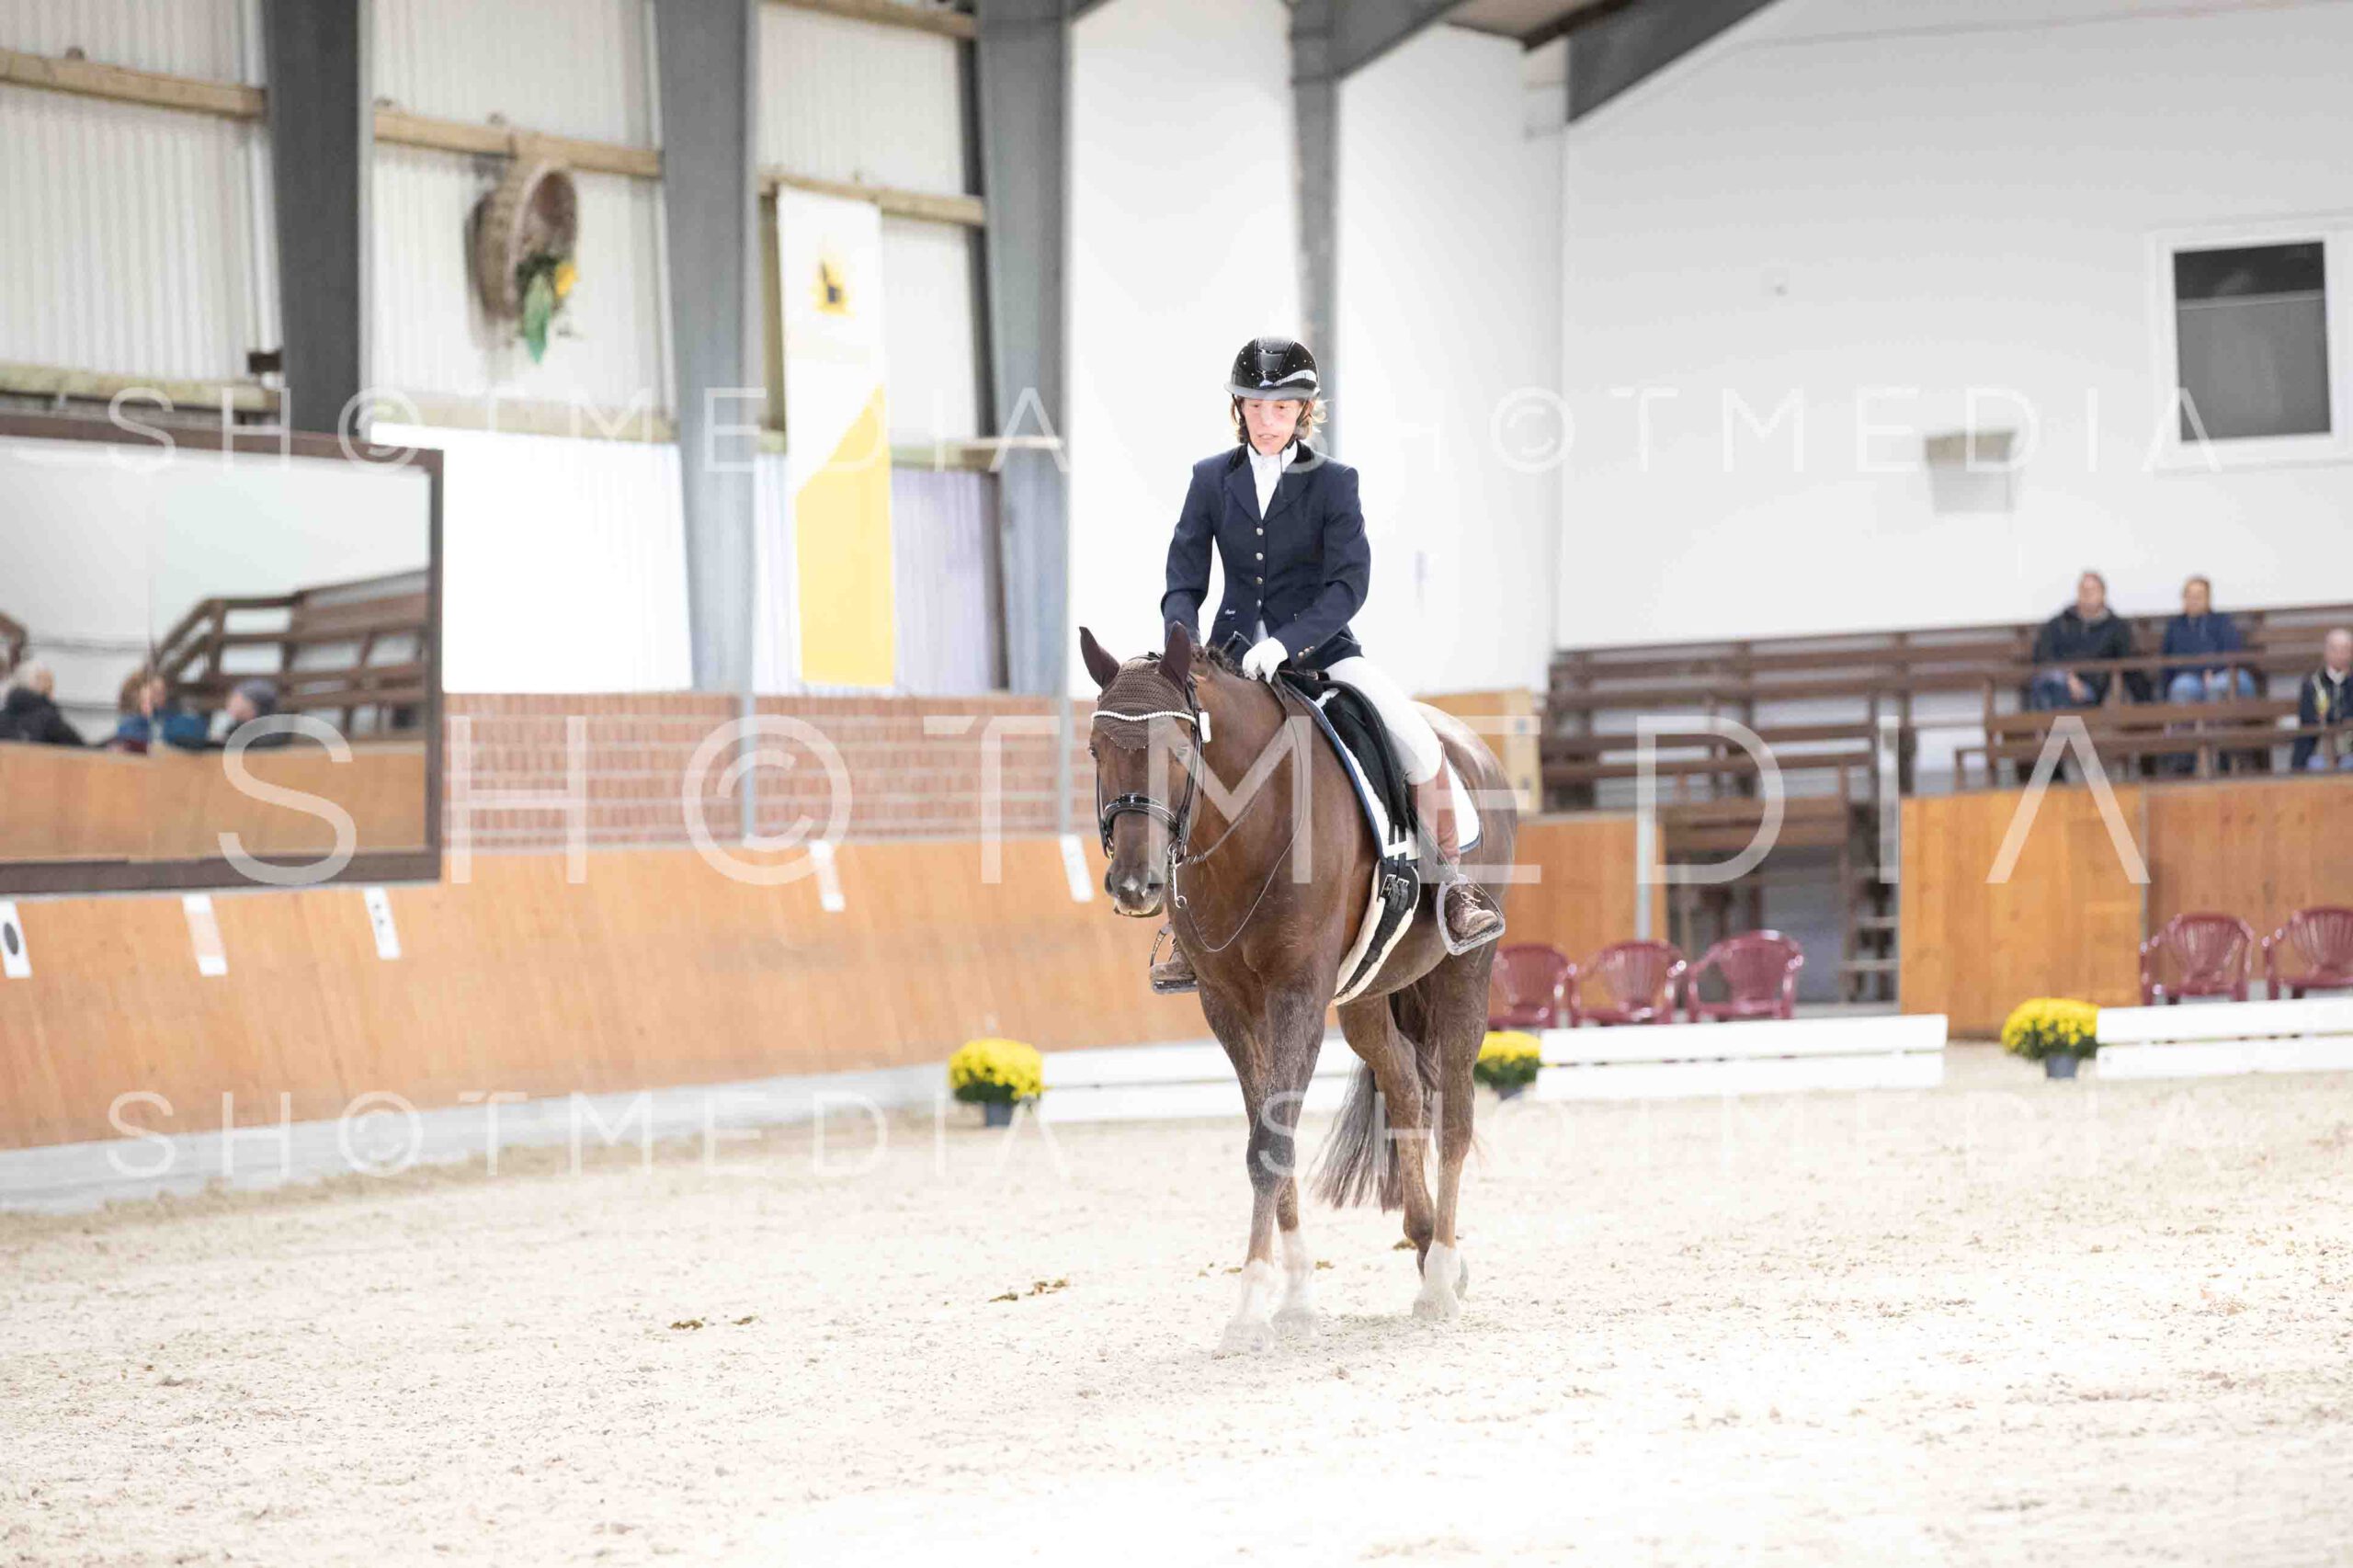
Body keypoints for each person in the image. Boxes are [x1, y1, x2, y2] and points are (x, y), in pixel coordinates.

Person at [1149, 336, 1504, 993]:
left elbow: (1348, 585)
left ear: (1303, 411)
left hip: (1321, 654)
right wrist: (1184, 644)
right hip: (1227, 660)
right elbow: (1183, 577)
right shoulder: (1210, 479)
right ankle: (1184, 921)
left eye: (1281, 407)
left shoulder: (1335, 482)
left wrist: (1286, 642)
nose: (1267, 418)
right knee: (1177, 756)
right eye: (1256, 405)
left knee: (1415, 738)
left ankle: (1453, 886)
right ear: (1239, 407)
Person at [2028, 571, 2139, 710]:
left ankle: (2060, 725)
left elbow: (2128, 663)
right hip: (2057, 680)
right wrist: (2068, 677)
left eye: (2092, 590)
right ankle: (2058, 724)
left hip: (2091, 688)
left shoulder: (2116, 627)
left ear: (2103, 594)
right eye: (2083, 590)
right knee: (2052, 685)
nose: (2087, 595)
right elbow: (2043, 654)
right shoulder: (2059, 624)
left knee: (2059, 692)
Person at [2160, 576, 2256, 704]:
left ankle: (2223, 719)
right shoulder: (2175, 626)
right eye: (2189, 595)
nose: (2194, 600)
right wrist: (2201, 672)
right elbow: (2171, 659)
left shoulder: (2222, 621)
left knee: (2218, 686)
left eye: (2199, 596)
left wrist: (2213, 670)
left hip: (2224, 672)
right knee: (2182, 687)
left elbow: (2233, 650)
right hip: (2190, 676)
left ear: (2208, 598)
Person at [2292, 628, 2352, 772]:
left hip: (2350, 748)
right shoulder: (2312, 683)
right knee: (2316, 765)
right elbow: (2308, 720)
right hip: (2319, 749)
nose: (2340, 655)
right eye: (2334, 649)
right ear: (2326, 652)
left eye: (2345, 649)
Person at [104, 671, 209, 753]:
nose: (161, 698)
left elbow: (197, 731)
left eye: (162, 693)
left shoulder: (166, 718)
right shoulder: (131, 724)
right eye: (155, 693)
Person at [0, 662, 85, 747]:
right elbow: (81, 749)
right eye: (49, 686)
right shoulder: (49, 720)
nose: (52, 693)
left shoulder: (3, 717)